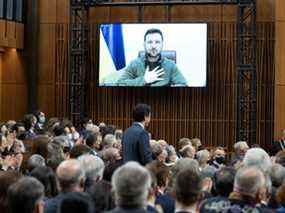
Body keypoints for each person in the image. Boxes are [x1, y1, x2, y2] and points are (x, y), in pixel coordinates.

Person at [117, 28, 187, 87]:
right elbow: (120, 83)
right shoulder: (134, 64)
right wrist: (144, 80)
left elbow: (184, 84)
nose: (153, 46)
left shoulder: (170, 65)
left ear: (162, 44)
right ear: (144, 44)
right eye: (150, 42)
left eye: (157, 42)